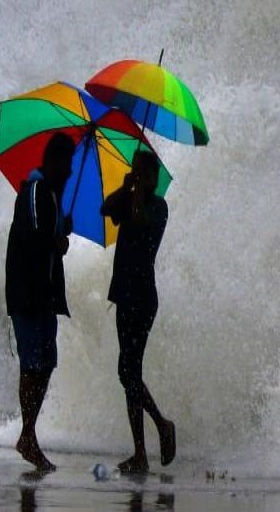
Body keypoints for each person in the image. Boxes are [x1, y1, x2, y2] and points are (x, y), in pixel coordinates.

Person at [4, 131, 76, 471]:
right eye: (68, 163)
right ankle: (28, 437)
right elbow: (34, 235)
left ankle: (28, 435)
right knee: (32, 364)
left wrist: (63, 230)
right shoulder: (34, 189)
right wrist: (57, 241)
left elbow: (47, 233)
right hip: (27, 292)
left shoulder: (50, 195)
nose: (71, 171)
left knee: (46, 363)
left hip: (45, 294)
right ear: (55, 161)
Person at [101, 150, 176, 473]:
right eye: (136, 171)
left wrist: (138, 194)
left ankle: (161, 425)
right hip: (124, 295)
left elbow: (143, 224)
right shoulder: (128, 197)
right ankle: (141, 452)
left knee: (130, 371)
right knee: (127, 373)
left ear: (152, 178)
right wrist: (124, 186)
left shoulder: (159, 206)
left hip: (143, 299)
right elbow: (106, 209)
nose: (138, 176)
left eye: (142, 173)